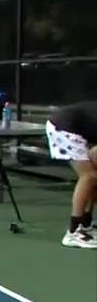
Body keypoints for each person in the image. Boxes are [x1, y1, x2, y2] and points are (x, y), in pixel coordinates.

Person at [45, 101, 97, 248]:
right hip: (63, 127)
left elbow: (93, 155)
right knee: (89, 176)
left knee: (93, 174)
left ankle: (85, 225)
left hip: (71, 126)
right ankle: (73, 233)